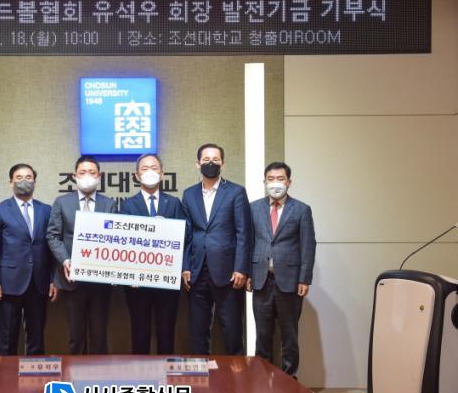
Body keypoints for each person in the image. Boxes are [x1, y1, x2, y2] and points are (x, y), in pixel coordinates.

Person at [181, 143, 252, 355]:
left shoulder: (236, 192)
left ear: (223, 163)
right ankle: (201, 372)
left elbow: (244, 233)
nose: (210, 163)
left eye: (215, 160)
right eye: (206, 160)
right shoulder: (189, 194)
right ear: (197, 163)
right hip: (197, 271)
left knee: (232, 329)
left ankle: (236, 372)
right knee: (198, 330)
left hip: (228, 272)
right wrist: (186, 266)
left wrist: (241, 268)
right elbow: (187, 234)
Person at [247, 161, 315, 376]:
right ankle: (261, 379)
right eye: (271, 179)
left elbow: (308, 246)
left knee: (289, 336)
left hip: (290, 281)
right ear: (264, 182)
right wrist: (248, 273)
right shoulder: (254, 208)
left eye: (280, 179)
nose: (275, 183)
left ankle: (289, 379)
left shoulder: (301, 209)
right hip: (261, 280)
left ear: (289, 182)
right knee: (262, 335)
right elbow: (248, 243)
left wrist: (304, 278)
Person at [46, 155, 118, 354]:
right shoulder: (62, 202)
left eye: (92, 172)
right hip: (72, 279)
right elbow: (53, 236)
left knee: (99, 336)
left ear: (99, 176)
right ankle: (75, 373)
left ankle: (99, 373)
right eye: (83, 172)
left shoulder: (109, 204)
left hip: (100, 281)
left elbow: (115, 239)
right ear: (74, 175)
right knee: (75, 337)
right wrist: (65, 260)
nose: (87, 176)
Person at [0, 163, 58, 356]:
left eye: (28, 177)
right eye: (19, 178)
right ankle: (5, 375)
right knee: (7, 338)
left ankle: (34, 374)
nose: (24, 181)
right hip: (8, 283)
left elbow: (51, 247)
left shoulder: (46, 210)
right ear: (11, 183)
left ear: (35, 182)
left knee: (36, 337)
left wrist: (52, 279)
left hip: (39, 282)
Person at [120, 154, 186, 354]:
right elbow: (122, 242)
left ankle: (167, 372)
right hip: (137, 281)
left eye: (154, 168)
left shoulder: (173, 203)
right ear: (137, 175)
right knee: (140, 331)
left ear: (162, 173)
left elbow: (186, 235)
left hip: (167, 278)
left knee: (166, 331)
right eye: (145, 168)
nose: (150, 172)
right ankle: (140, 371)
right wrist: (129, 274)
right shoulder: (127, 205)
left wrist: (168, 228)